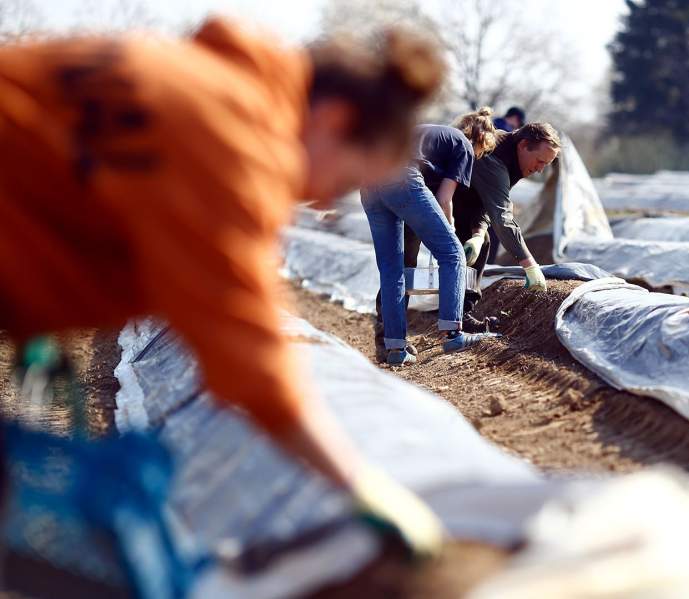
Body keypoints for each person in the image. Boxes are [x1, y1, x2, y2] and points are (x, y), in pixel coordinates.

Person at [0, 19, 445, 554]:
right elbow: (248, 354)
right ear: (332, 119)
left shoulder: (205, 79)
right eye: (345, 182)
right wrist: (357, 484)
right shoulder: (232, 144)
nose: (326, 204)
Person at [362, 115, 498, 366]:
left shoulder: (432, 134)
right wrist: (451, 231)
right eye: (481, 153)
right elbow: (445, 199)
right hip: (401, 177)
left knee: (393, 270)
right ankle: (454, 334)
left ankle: (396, 349)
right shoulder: (465, 147)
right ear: (480, 142)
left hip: (369, 182)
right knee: (453, 253)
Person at [455, 122, 561, 315]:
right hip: (429, 194)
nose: (540, 170)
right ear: (523, 145)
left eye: (546, 165)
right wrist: (530, 265)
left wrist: (478, 234)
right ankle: (390, 331)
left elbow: (486, 201)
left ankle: (462, 315)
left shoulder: (516, 160)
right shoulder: (494, 156)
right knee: (408, 258)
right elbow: (501, 217)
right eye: (539, 161)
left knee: (483, 243)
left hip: (460, 201)